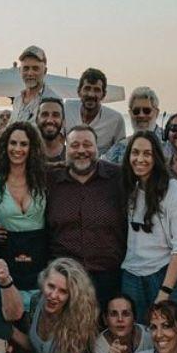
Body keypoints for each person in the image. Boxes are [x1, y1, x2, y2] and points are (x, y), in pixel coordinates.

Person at [48, 125, 127, 307]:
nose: (81, 150)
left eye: (87, 145)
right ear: (66, 149)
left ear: (97, 148)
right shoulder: (51, 180)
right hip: (65, 279)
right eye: (75, 145)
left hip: (110, 278)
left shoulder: (118, 177)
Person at [121, 131, 177, 314]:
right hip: (131, 274)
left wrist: (165, 291)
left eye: (147, 153)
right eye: (135, 152)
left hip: (163, 273)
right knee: (139, 337)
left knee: (173, 336)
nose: (140, 159)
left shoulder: (174, 191)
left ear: (157, 157)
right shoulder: (129, 189)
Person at [0, 121, 47, 294]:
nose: (17, 149)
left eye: (24, 144)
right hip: (7, 251)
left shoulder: (43, 176)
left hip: (41, 251)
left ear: (32, 148)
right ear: (4, 145)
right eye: (13, 143)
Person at [63, 67, 125, 151]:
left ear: (104, 95)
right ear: (79, 91)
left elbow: (120, 154)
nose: (91, 94)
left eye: (97, 90)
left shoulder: (116, 120)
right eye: (87, 88)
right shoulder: (67, 108)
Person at [103, 87, 164, 165]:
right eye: (136, 111)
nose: (141, 115)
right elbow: (103, 167)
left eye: (146, 111)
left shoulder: (169, 144)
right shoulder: (120, 148)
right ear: (130, 113)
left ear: (157, 113)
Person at [10, 45, 54, 124]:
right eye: (26, 68)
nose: (30, 73)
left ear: (45, 71)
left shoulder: (53, 100)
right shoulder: (17, 100)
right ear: (20, 71)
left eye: (35, 68)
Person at [36, 97, 67, 163]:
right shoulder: (26, 155)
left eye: (55, 115)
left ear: (63, 122)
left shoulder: (71, 157)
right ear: (36, 120)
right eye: (45, 115)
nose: (49, 120)